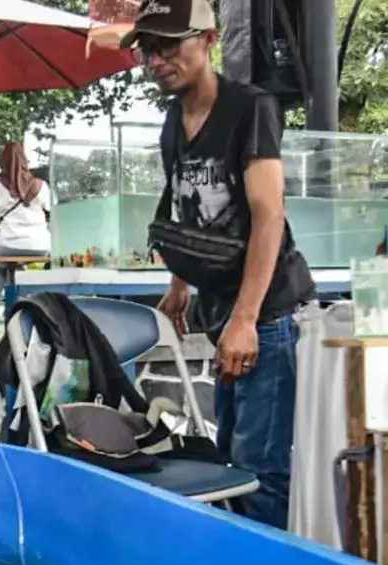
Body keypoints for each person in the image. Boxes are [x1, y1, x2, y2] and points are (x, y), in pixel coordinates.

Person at [122, 0, 316, 529]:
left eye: (168, 45)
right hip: (223, 313)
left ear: (207, 39)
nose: (155, 59)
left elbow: (269, 216)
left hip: (268, 314)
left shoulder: (250, 108)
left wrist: (248, 319)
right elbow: (188, 207)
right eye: (147, 49)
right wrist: (180, 283)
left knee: (260, 471)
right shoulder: (172, 122)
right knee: (229, 460)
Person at [0, 143, 52, 321]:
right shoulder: (40, 185)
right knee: (13, 262)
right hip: (41, 245)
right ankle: (21, 303)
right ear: (25, 161)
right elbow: (50, 208)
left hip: (8, 244)